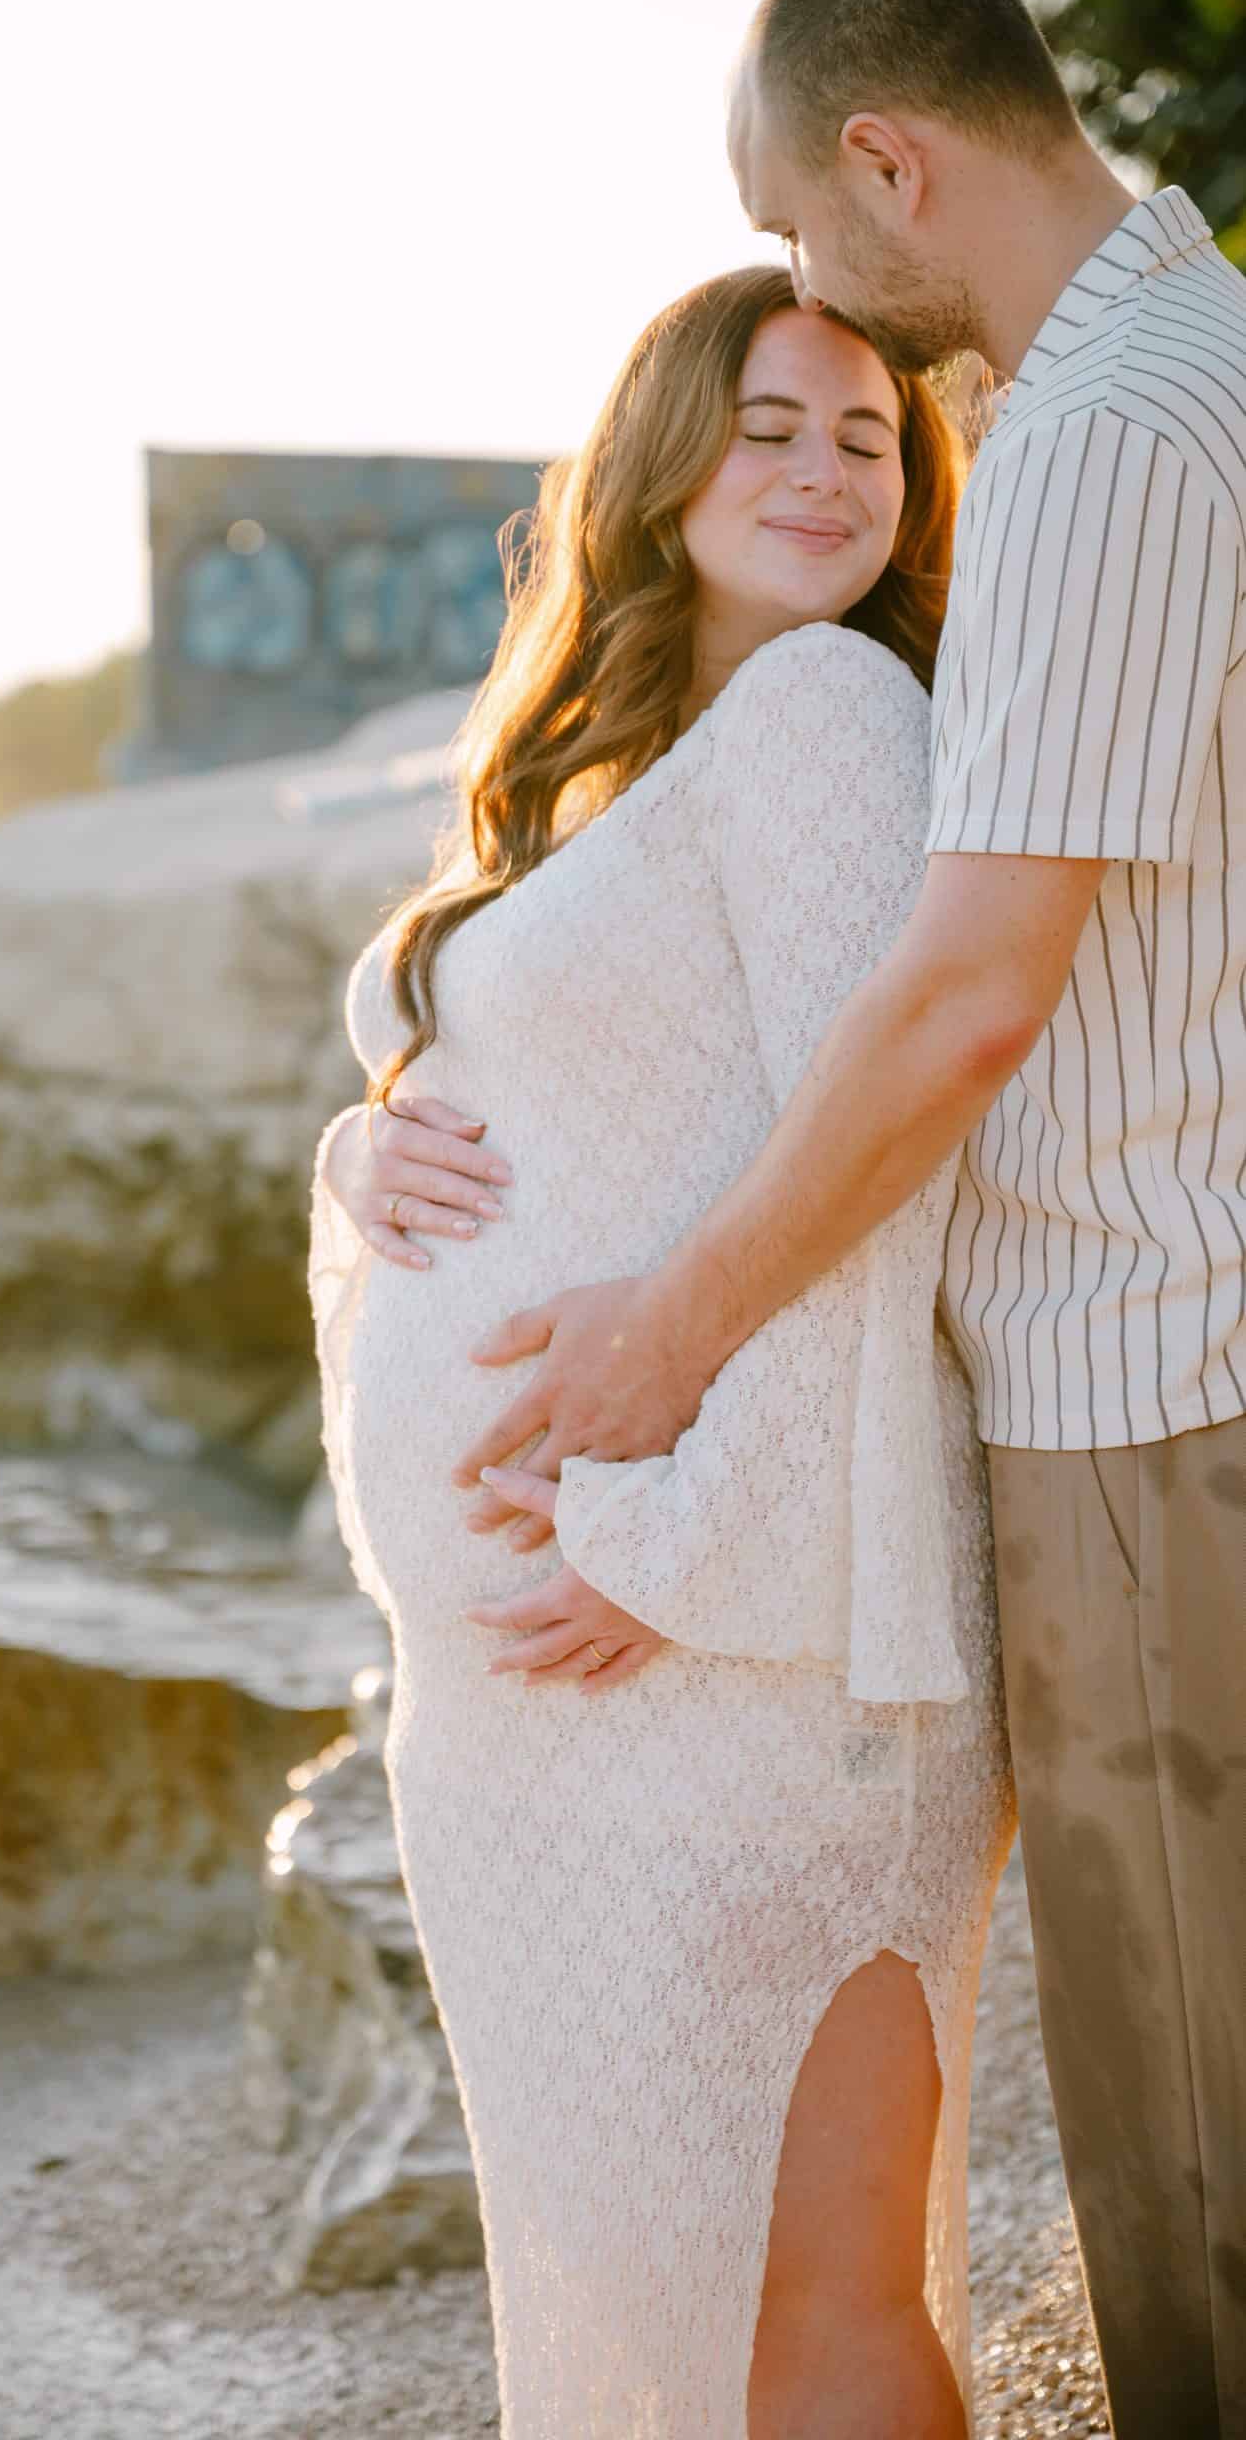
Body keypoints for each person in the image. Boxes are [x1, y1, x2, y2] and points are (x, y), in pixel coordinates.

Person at [435, 0, 1246, 2440]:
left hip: (1130, 1387)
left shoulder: (1107, 434)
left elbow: (965, 999)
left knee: (1190, 2178)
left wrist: (645, 1389)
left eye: (805, 241)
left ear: (882, 160)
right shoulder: (1118, 401)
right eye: (760, 390)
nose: (823, 341)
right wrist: (393, 1118)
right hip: (1087, 1410)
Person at [308, 264, 1015, 2437]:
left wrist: (666, 1537)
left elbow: (878, 1170)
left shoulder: (826, 714)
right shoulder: (614, 759)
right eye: (768, 422)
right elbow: (509, 1073)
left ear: (913, 499)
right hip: (544, 1706)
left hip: (739, 1664)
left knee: (803, 2323)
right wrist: (360, 1145)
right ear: (658, 456)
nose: (817, 469)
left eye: (863, 437)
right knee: (637, 2298)